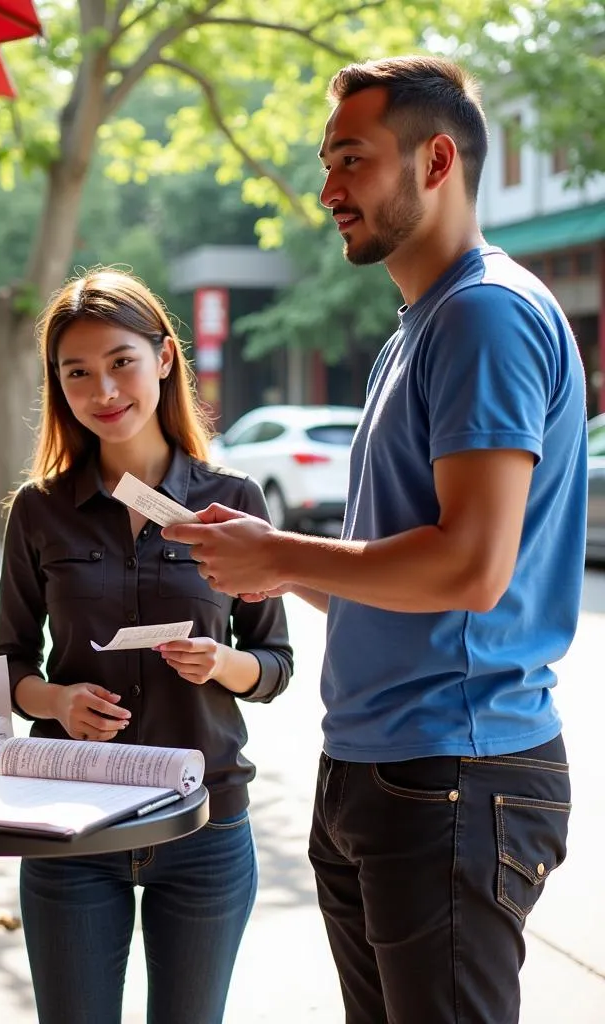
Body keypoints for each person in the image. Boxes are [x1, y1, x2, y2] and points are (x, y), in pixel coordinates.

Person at [164, 56, 586, 1024]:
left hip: (452, 769)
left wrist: (281, 559)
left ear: (436, 160)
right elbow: (401, 573)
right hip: (382, 765)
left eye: (350, 160)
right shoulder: (419, 327)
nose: (326, 189)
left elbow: (471, 569)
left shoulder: (484, 313)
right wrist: (273, 547)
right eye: (324, 162)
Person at [0, 269, 294, 1024]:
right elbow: (9, 665)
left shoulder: (234, 502)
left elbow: (275, 664)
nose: (103, 390)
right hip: (70, 819)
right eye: (78, 373)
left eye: (121, 361)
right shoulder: (39, 511)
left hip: (205, 821)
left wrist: (221, 664)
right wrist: (56, 700)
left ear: (163, 358)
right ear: (59, 387)